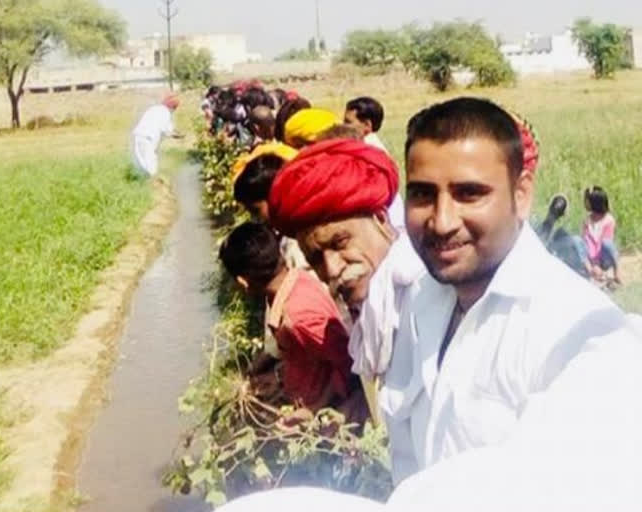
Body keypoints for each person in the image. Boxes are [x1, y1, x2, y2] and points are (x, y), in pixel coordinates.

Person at [218, 98, 642, 512]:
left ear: (521, 194)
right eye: (422, 195)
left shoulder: (584, 336)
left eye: (469, 194)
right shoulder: (422, 302)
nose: (442, 221)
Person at [268, 138, 425, 423]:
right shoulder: (371, 302)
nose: (332, 268)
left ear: (380, 219)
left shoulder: (425, 297)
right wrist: (345, 413)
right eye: (315, 258)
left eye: (340, 242)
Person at [219, 222, 356, 414]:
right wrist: (278, 378)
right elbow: (307, 356)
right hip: (299, 395)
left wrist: (312, 411)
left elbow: (347, 363)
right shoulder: (293, 281)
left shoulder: (297, 318)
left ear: (243, 282)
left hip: (319, 413)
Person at [344, 96, 406, 232]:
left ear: (367, 125)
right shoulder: (368, 148)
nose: (343, 126)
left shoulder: (369, 153)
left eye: (348, 122)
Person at [131, 94, 181, 177]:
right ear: (172, 107)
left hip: (138, 136)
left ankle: (147, 181)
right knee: (151, 166)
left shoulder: (153, 109)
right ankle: (155, 183)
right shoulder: (166, 113)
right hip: (148, 139)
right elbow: (168, 131)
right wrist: (178, 135)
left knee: (143, 163)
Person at [581, 185, 621, 284]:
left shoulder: (608, 220)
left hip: (603, 257)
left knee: (607, 243)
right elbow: (585, 241)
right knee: (577, 241)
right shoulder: (587, 220)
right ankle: (591, 271)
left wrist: (597, 263)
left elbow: (603, 242)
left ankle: (616, 271)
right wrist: (593, 263)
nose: (585, 203)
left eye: (587, 200)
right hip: (590, 258)